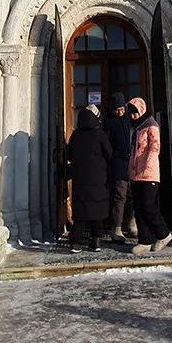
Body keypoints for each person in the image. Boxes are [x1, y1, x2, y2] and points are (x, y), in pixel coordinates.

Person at [65, 96, 113, 251]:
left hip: (80, 178)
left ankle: (76, 242)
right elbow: (109, 153)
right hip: (98, 178)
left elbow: (69, 155)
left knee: (81, 211)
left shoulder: (76, 135)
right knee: (97, 211)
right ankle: (95, 242)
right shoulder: (99, 134)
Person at [127, 97, 172, 254]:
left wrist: (147, 167)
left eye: (134, 113)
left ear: (141, 110)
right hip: (135, 173)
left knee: (148, 205)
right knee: (139, 207)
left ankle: (164, 234)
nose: (132, 116)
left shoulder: (151, 126)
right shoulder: (135, 128)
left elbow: (154, 148)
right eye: (131, 114)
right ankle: (144, 240)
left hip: (148, 174)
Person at [106, 92, 136, 243]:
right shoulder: (109, 123)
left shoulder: (129, 121)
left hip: (132, 164)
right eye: (117, 110)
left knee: (132, 195)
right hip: (118, 165)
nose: (120, 112)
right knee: (119, 196)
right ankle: (116, 227)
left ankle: (131, 222)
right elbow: (106, 144)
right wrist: (113, 157)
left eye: (122, 109)